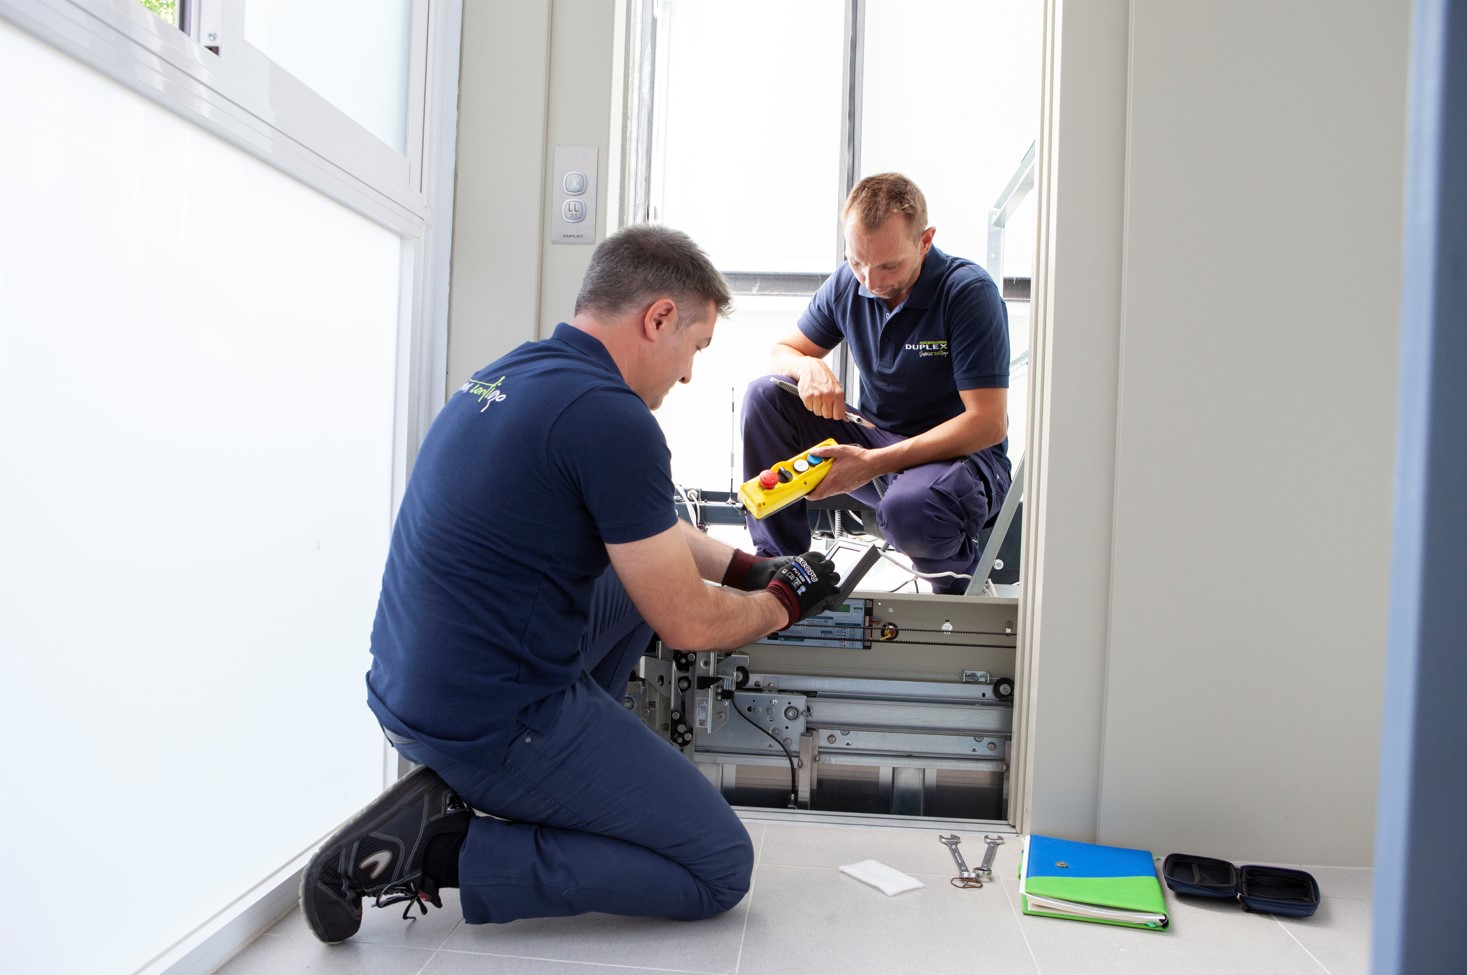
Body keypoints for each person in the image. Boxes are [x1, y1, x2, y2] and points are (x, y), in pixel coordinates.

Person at [299, 225, 846, 944]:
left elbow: (643, 533)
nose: (686, 375)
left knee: (630, 590)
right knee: (718, 866)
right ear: (656, 319)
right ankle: (440, 849)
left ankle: (569, 769)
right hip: (486, 717)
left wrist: (750, 570)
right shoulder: (611, 419)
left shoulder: (516, 373)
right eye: (694, 347)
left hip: (413, 686)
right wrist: (782, 603)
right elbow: (687, 622)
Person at [740, 173, 1011, 594]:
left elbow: (989, 424)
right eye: (857, 262)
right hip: (875, 440)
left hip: (961, 462)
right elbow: (782, 350)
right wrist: (807, 367)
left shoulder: (967, 292)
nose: (871, 281)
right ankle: (780, 570)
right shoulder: (850, 283)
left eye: (889, 265)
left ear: (924, 241)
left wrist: (874, 464)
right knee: (766, 394)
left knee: (910, 509)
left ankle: (958, 585)